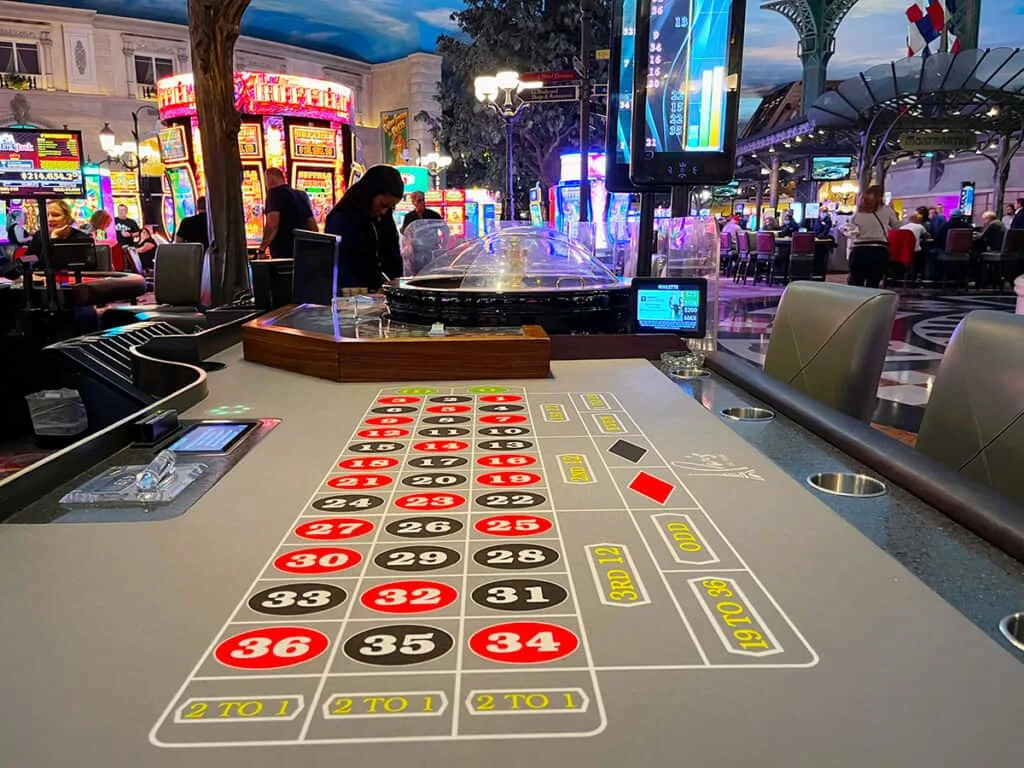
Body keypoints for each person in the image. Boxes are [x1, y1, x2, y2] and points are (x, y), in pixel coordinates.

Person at [324, 164, 405, 292]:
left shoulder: (383, 218)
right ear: (370, 193)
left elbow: (391, 255)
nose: (384, 211)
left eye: (390, 207)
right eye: (383, 205)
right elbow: (347, 266)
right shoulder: (342, 219)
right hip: (352, 297)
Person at [844, 187, 898, 288]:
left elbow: (850, 231)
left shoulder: (858, 212)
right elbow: (897, 226)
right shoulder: (887, 210)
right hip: (878, 251)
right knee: (873, 283)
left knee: (856, 283)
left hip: (859, 251)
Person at [260, 167, 317, 260]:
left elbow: (272, 225)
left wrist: (262, 249)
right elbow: (312, 226)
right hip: (302, 252)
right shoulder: (302, 195)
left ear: (268, 180)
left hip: (283, 254)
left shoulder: (274, 194)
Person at [25, 199, 93, 265]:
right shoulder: (39, 235)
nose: (50, 219)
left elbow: (55, 264)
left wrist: (54, 238)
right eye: (46, 215)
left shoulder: (81, 239)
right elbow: (26, 259)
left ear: (67, 218)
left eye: (56, 215)